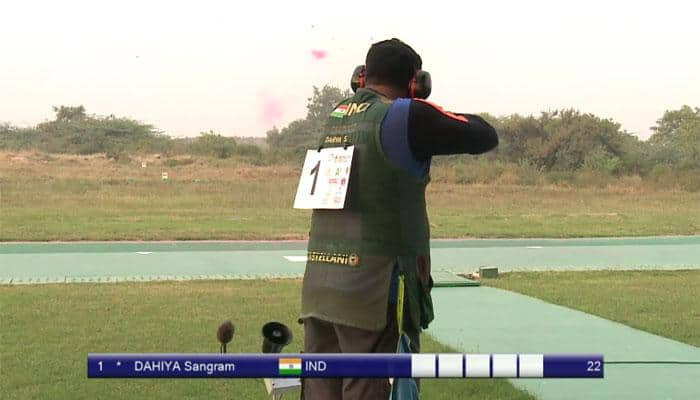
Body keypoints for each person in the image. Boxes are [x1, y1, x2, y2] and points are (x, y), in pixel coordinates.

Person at [299, 38, 498, 400]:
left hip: (320, 288)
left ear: (362, 77)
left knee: (321, 391)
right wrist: (418, 103)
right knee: (371, 388)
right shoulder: (405, 115)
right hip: (373, 292)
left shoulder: (336, 115)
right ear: (415, 82)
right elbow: (483, 134)